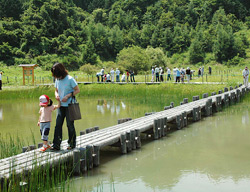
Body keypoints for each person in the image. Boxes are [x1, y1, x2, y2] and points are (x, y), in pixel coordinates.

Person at [50, 62, 80, 151]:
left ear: (61, 72)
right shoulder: (57, 80)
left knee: (70, 125)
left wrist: (68, 96)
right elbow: (56, 90)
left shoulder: (70, 79)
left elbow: (77, 90)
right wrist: (56, 95)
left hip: (69, 106)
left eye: (56, 75)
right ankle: (56, 145)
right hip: (60, 106)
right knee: (58, 125)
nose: (55, 77)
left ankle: (71, 144)